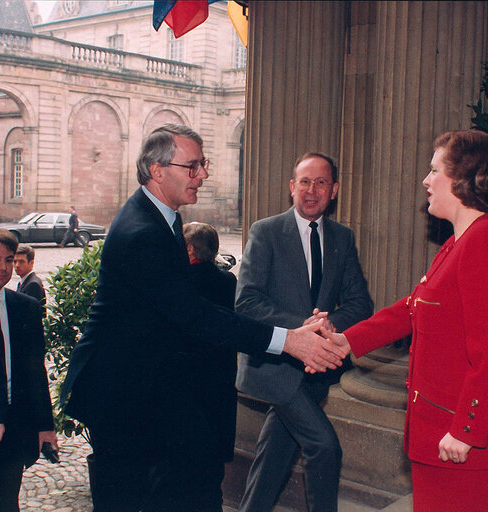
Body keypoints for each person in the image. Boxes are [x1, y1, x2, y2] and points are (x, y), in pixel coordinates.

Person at [59, 124, 346, 512]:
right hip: (120, 392)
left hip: (149, 384)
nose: (204, 175)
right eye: (193, 166)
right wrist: (289, 340)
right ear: (158, 170)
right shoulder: (142, 231)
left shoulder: (162, 215)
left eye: (203, 164)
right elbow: (194, 315)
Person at [323, 131, 488, 511]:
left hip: (471, 447)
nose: (426, 180)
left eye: (435, 170)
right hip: (442, 437)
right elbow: (414, 307)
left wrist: (466, 430)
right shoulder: (458, 242)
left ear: (464, 179)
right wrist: (349, 341)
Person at [236, 152, 374, 512]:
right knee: (324, 447)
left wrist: (330, 325)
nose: (311, 191)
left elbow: (361, 304)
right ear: (291, 188)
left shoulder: (342, 238)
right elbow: (246, 302)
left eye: (321, 183)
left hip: (315, 373)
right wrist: (304, 327)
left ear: (334, 191)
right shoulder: (265, 232)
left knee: (273, 460)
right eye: (305, 182)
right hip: (275, 367)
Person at [0, 229, 58, 512]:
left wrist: (45, 426)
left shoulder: (24, 307)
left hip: (13, 427)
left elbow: (35, 371)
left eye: (9, 260)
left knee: (7, 503)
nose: (2, 268)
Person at [182, 221, 237, 504]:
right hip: (220, 385)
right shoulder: (227, 281)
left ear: (190, 249)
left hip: (188, 388)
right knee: (212, 475)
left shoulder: (181, 283)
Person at [13, 245, 46, 315]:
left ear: (31, 263)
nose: (17, 265)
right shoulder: (25, 281)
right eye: (14, 261)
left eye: (21, 262)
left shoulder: (33, 285)